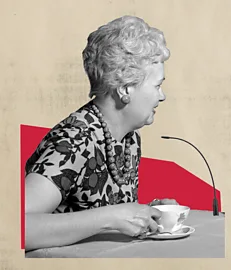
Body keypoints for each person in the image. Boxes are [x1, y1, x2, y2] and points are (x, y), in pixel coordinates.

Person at [24, 15, 179, 252]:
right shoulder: (74, 140)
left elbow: (99, 214)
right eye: (157, 86)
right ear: (126, 89)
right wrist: (112, 216)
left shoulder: (129, 138)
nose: (162, 96)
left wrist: (147, 213)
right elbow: (18, 227)